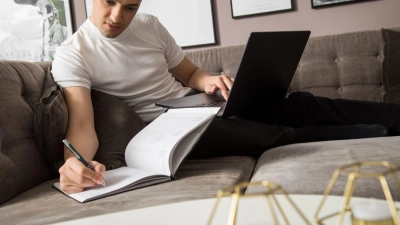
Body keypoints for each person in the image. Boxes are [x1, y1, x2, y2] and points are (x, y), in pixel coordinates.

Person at [52, 0, 400, 194]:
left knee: (299, 103)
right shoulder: (72, 54)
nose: (117, 17)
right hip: (161, 128)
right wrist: (73, 161)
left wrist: (208, 82)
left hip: (193, 105)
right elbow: (82, 123)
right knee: (252, 132)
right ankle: (377, 134)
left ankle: (393, 117)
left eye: (129, 6)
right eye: (109, 2)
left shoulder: (149, 25)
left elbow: (189, 74)